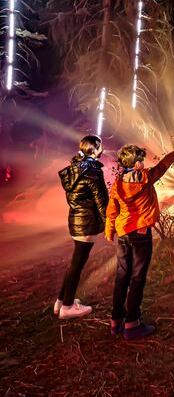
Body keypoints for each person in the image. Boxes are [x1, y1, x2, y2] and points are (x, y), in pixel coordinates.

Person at [105, 144, 174, 340]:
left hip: (123, 234)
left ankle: (116, 321)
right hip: (140, 234)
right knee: (137, 278)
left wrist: (109, 230)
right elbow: (163, 167)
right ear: (138, 163)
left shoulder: (118, 183)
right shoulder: (146, 178)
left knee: (122, 275)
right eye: (141, 160)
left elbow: (112, 209)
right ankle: (132, 324)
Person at [55, 135, 108, 319]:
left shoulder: (75, 168)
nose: (102, 149)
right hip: (87, 223)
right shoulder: (92, 171)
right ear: (95, 149)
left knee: (75, 263)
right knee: (77, 265)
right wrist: (110, 223)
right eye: (100, 146)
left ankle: (61, 302)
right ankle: (67, 307)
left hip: (76, 221)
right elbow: (102, 201)